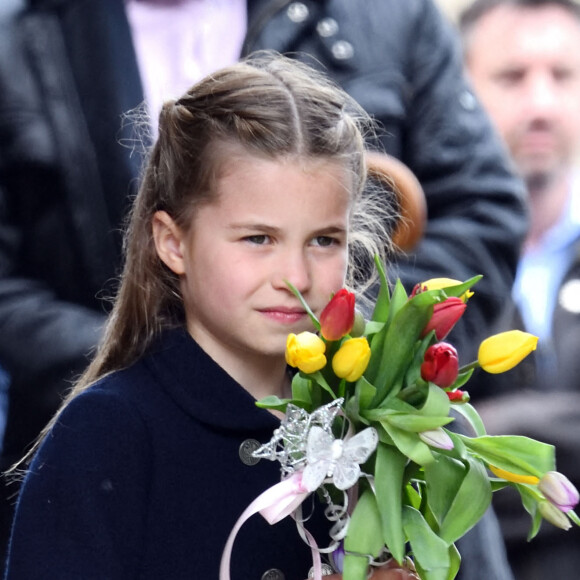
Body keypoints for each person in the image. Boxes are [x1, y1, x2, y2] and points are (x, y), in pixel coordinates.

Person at [0, 0, 524, 577]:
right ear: (171, 242)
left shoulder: (371, 434)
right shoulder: (105, 434)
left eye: (325, 241)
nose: (294, 279)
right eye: (257, 239)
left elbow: (485, 206)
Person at [459, 1, 580, 578]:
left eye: (562, 75)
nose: (540, 105)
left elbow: (441, 449)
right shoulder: (425, 258)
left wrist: (485, 433)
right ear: (456, 90)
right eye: (511, 77)